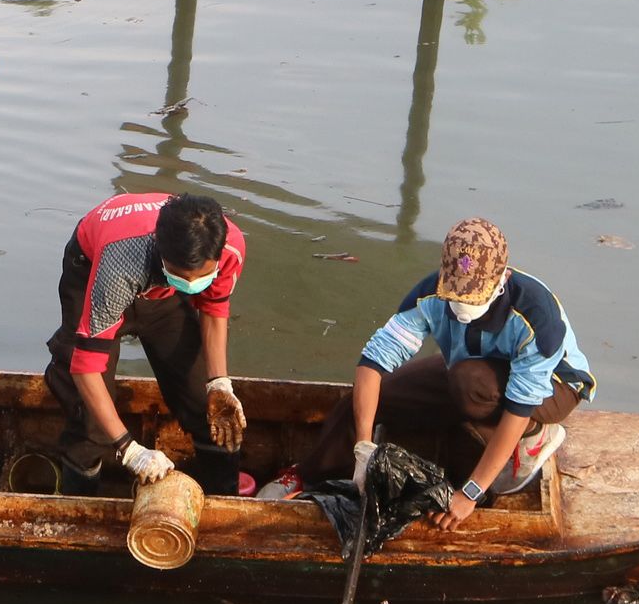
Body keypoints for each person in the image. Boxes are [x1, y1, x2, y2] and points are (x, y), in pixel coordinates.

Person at [276, 217, 591, 523]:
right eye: (456, 295)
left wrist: (470, 493)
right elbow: (373, 362)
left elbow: (520, 403)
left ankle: (535, 436)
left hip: (552, 386)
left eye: (473, 296)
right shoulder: (431, 293)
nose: (463, 305)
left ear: (502, 279)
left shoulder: (536, 316)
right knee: (370, 399)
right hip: (467, 367)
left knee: (468, 389)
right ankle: (306, 477)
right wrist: (363, 448)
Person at [43, 191, 249, 496]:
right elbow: (85, 367)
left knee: (204, 403)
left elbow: (213, 307)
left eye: (202, 276)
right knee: (92, 426)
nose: (193, 284)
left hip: (163, 297)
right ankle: (80, 500)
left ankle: (223, 499)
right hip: (92, 273)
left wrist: (219, 384)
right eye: (184, 276)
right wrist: (129, 450)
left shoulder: (229, 247)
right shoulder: (120, 266)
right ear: (161, 251)